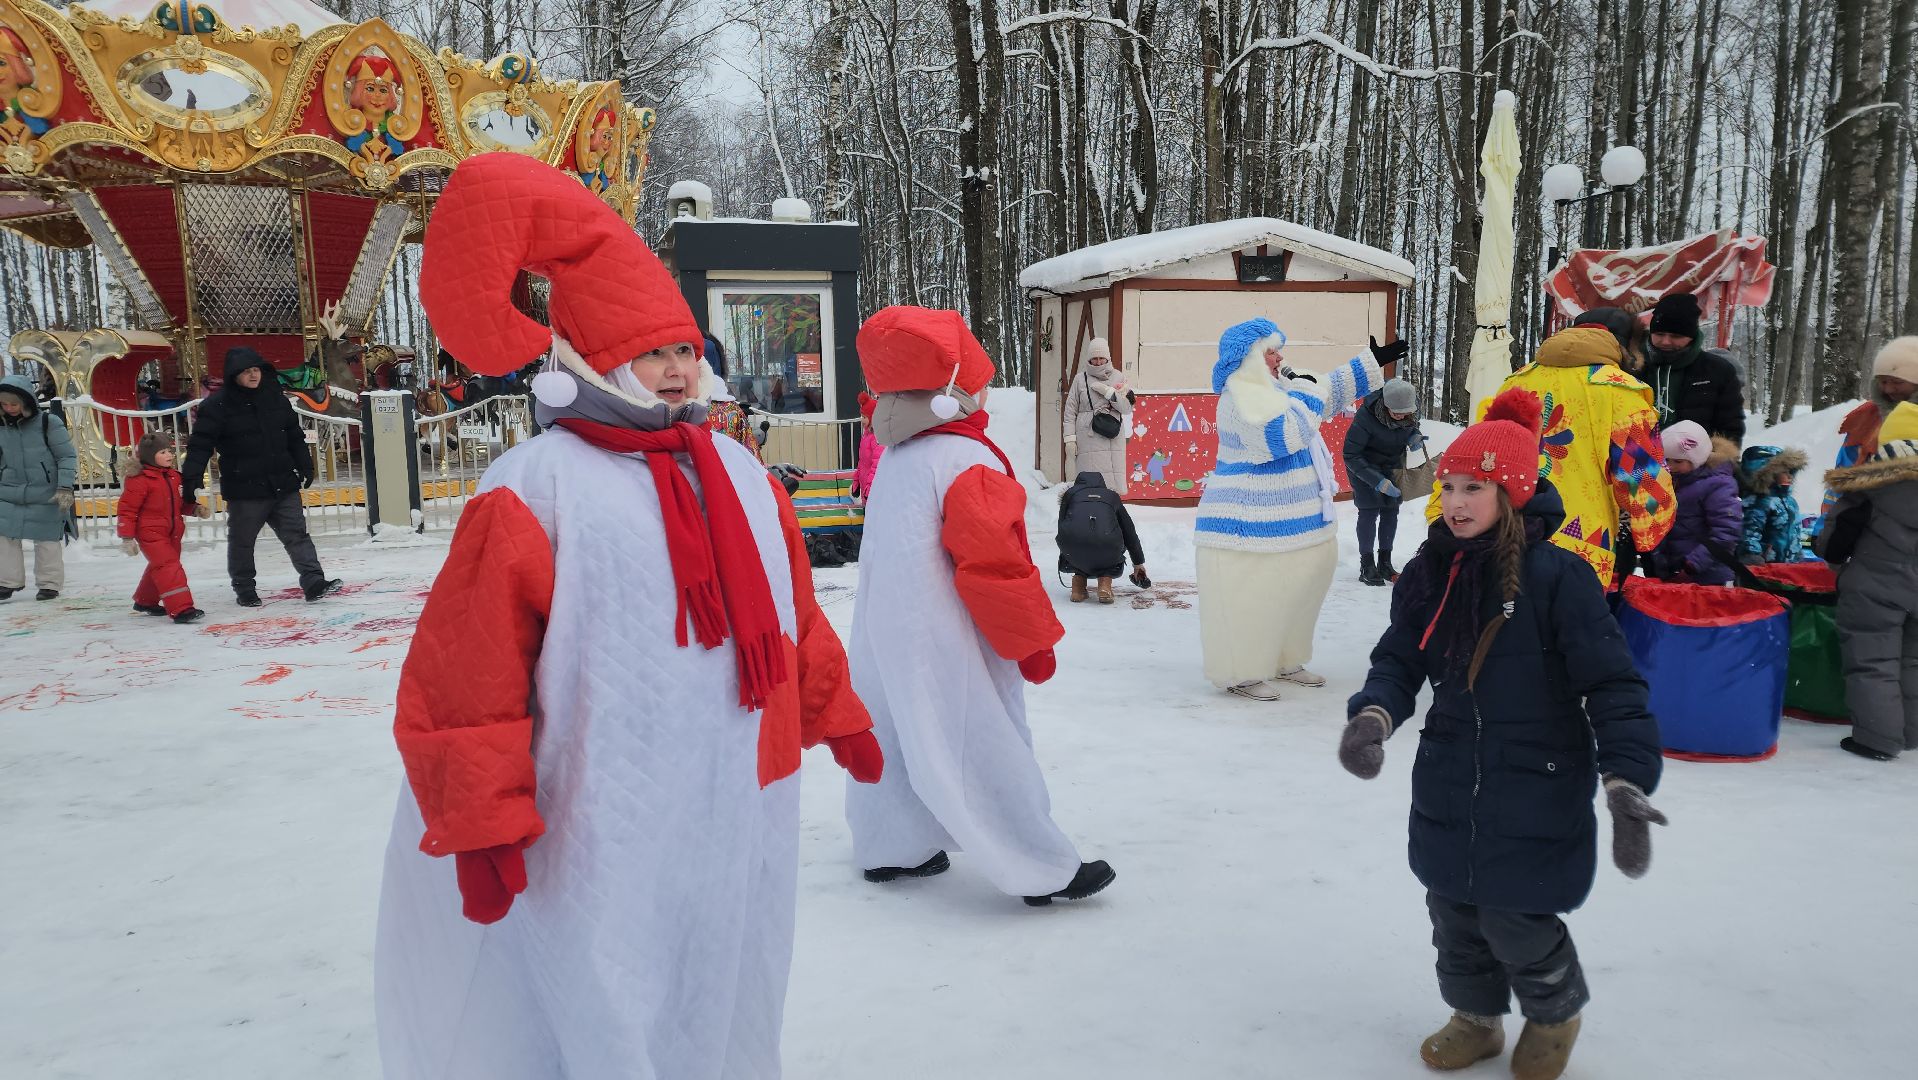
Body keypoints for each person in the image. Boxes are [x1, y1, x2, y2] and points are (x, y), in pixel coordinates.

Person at [378, 152, 881, 1079]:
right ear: (589, 357)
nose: (678, 370)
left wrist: (834, 708)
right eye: (652, 352)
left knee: (731, 969)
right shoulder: (538, 486)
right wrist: (482, 815)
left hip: (737, 796)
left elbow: (790, 611)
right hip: (600, 804)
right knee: (608, 980)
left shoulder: (737, 474)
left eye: (686, 349)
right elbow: (470, 664)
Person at [1339, 388, 1666, 1080]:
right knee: (1453, 911)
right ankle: (1477, 1020)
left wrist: (1627, 779)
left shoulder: (1559, 578)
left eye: (1475, 488)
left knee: (1517, 917)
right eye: (1449, 486)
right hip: (1450, 772)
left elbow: (1613, 683)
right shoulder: (1431, 572)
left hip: (1537, 781)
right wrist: (1373, 714)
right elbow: (1400, 657)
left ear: (1512, 493)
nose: (1455, 502)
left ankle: (1554, 1013)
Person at [844, 304, 1114, 907]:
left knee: (893, 730)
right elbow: (994, 565)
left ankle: (893, 844)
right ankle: (1038, 864)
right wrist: (1030, 643)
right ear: (952, 392)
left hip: (885, 633)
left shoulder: (899, 455)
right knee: (980, 739)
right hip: (947, 636)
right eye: (978, 377)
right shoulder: (966, 460)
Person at [1195, 319, 1390, 700]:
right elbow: (1284, 435)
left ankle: (1286, 658)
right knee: (1253, 603)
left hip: (1297, 525)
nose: (1280, 357)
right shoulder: (1239, 398)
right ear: (1249, 357)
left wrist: (1370, 362)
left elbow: (1323, 393)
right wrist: (1305, 392)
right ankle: (1242, 672)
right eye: (1270, 351)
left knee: (1297, 596)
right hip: (1247, 530)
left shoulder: (1276, 389)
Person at [1437, 322, 1675, 591]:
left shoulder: (1516, 382)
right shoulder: (1621, 393)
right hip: (1583, 542)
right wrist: (1652, 530)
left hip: (1508, 533)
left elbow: (1479, 453)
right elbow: (1645, 482)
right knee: (1571, 622)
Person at [181, 347, 341, 606]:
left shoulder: (274, 398)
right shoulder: (217, 406)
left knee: (297, 534)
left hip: (282, 483)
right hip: (245, 488)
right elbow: (200, 444)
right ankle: (244, 588)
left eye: (256, 369)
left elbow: (293, 435)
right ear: (234, 375)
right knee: (243, 541)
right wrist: (191, 477)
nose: (253, 375)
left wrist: (305, 464)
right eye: (246, 371)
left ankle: (314, 581)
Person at [1814, 401, 1918, 762]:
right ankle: (1910, 734)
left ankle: (1877, 740)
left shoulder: (1867, 487)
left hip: (1875, 583)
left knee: (1872, 662)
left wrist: (1830, 555)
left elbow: (1834, 542)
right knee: (1912, 661)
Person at [1818, 336, 1918, 521]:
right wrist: (1827, 524)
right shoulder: (1866, 417)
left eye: (1897, 382)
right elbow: (1844, 475)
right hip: (1868, 525)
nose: (1888, 389)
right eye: (1883, 381)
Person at [117, 431, 207, 623]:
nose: (169, 455)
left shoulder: (173, 477)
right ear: (150, 456)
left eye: (169, 451)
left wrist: (194, 509)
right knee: (169, 567)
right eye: (163, 452)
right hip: (150, 532)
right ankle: (182, 609)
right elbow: (127, 509)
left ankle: (145, 601)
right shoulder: (139, 480)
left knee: (160, 566)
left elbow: (177, 503)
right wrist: (127, 536)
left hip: (172, 531)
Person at [1343, 376, 1424, 585]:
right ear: (1386, 405)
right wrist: (1377, 482)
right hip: (1364, 469)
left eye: (1406, 413)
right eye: (1397, 413)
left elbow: (1409, 428)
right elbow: (1351, 454)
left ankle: (1385, 563)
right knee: (1369, 511)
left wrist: (1413, 436)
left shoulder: (1408, 412)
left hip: (1391, 466)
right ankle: (1367, 565)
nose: (1401, 416)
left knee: (1390, 511)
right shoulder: (1366, 417)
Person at [0, 372, 74, 601]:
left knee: (47, 539)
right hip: (9, 490)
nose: (9, 408)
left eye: (14, 403)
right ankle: (7, 582)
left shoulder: (47, 423)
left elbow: (66, 456)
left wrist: (64, 487)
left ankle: (49, 584)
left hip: (46, 491)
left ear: (26, 402)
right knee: (5, 536)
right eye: (4, 404)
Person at [1646, 420, 1742, 586]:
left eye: (1678, 461)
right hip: (1674, 573)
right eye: (1666, 460)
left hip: (1708, 577)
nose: (1670, 466)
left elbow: (1726, 532)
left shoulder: (1718, 485)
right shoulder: (1669, 481)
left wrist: (1692, 565)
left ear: (1697, 459)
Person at [1641, 292, 1746, 442]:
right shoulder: (1631, 367)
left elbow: (1730, 429)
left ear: (1692, 336)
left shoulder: (1718, 371)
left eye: (1676, 336)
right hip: (1636, 461)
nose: (1665, 341)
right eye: (1659, 334)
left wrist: (1717, 462)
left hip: (1695, 463)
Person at [1057, 470, 1148, 604]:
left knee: (1076, 543)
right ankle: (1104, 584)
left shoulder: (1069, 496)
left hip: (1073, 550)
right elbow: (1129, 531)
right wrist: (1138, 563)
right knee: (1108, 547)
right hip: (1108, 548)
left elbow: (1063, 528)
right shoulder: (1112, 497)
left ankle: (1078, 588)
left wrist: (1067, 551)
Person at [1061, 336, 1134, 494]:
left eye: (1102, 358)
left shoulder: (1119, 377)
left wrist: (1110, 393)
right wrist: (1069, 439)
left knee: (1111, 487)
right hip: (1087, 436)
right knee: (1089, 486)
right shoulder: (1080, 379)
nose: (1099, 362)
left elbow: (1127, 408)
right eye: (1095, 358)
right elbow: (1070, 411)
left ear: (1107, 358)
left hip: (1112, 435)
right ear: (1089, 359)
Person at [1737, 444, 1807, 565]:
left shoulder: (1791, 502)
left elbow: (1795, 531)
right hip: (1765, 566)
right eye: (1784, 472)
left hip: (1790, 564)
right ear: (1768, 474)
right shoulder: (1758, 502)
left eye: (1791, 472)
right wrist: (1751, 555)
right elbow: (1750, 532)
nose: (1790, 476)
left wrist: (1798, 553)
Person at [851, 391, 882, 504]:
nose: (861, 420)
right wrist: (856, 481)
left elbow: (876, 466)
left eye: (864, 417)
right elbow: (862, 462)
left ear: (873, 419)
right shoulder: (866, 436)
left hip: (873, 492)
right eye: (861, 416)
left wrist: (870, 487)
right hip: (865, 489)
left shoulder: (877, 439)